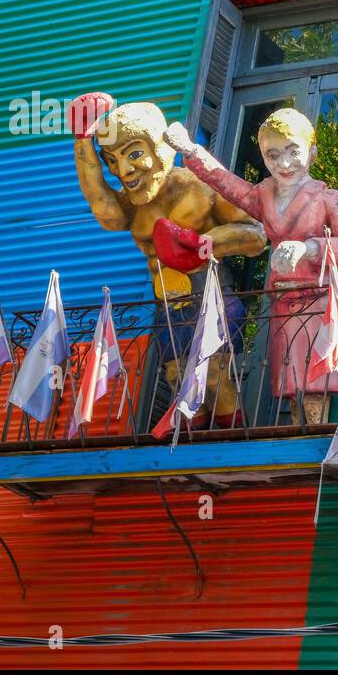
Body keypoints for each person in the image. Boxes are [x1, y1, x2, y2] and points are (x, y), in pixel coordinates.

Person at [69, 93, 265, 427]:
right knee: (177, 376)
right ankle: (194, 448)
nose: (124, 170)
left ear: (159, 149)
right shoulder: (133, 203)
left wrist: (205, 242)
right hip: (168, 302)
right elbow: (104, 210)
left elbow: (257, 235)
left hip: (211, 292)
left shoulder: (201, 188)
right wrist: (83, 140)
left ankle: (233, 437)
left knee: (214, 372)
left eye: (134, 154)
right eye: (112, 160)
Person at [161, 108, 338, 425]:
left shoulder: (327, 198)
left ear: (312, 153)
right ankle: (299, 434)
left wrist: (309, 247)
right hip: (281, 302)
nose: (284, 164)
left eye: (293, 151)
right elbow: (227, 183)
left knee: (314, 384)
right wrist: (191, 151)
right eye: (273, 154)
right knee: (291, 383)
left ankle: (312, 436)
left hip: (317, 304)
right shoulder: (264, 195)